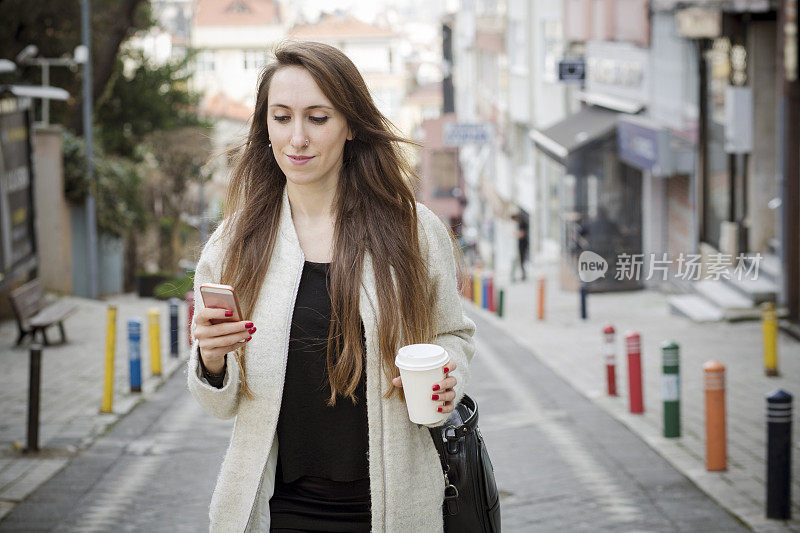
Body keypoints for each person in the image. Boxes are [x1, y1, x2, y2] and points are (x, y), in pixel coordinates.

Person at [187, 40, 476, 533]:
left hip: (393, 505)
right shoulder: (233, 245)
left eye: (317, 118)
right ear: (266, 127)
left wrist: (445, 376)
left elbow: (454, 334)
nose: (297, 138)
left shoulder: (413, 231)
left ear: (350, 126)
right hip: (278, 507)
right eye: (281, 118)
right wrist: (210, 360)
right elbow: (221, 403)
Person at [511, 212, 529, 281]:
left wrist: (515, 235)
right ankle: (523, 274)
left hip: (523, 244)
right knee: (522, 260)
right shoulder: (521, 223)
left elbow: (522, 234)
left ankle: (524, 275)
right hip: (522, 243)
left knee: (522, 260)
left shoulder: (522, 223)